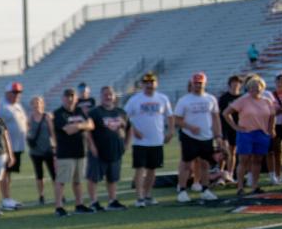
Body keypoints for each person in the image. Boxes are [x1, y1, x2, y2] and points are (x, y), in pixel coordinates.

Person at [125, 71, 174, 207]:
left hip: (157, 140)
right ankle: (139, 197)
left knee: (152, 170)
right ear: (142, 84)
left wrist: (170, 131)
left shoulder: (162, 98)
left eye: (151, 82)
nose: (149, 85)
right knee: (140, 169)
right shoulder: (135, 99)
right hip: (140, 142)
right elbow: (125, 117)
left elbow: (170, 116)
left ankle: (148, 195)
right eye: (146, 82)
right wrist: (134, 130)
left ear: (156, 83)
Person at [223, 75, 276, 195]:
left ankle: (254, 186)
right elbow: (226, 113)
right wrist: (235, 127)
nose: (254, 90)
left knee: (258, 160)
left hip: (261, 133)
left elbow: (272, 115)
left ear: (262, 88)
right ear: (248, 89)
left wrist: (271, 128)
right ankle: (240, 187)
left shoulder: (266, 101)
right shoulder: (243, 100)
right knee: (244, 160)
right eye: (251, 87)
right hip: (246, 133)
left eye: (257, 87)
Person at [173, 72, 222, 202]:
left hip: (206, 136)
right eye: (195, 83)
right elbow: (177, 120)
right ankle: (182, 190)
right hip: (189, 136)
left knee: (205, 164)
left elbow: (216, 118)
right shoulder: (184, 100)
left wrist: (218, 136)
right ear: (191, 84)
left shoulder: (211, 99)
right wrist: (190, 127)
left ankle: (205, 189)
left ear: (204, 84)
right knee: (186, 164)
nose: (198, 85)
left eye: (200, 83)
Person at [51, 88, 94, 216]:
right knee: (62, 180)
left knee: (78, 181)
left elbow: (91, 125)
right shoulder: (59, 113)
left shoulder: (79, 110)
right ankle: (59, 207)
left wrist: (78, 126)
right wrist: (82, 125)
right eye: (67, 96)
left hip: (80, 150)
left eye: (72, 96)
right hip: (65, 152)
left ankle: (79, 204)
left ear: (76, 98)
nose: (70, 99)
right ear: (63, 98)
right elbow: (68, 130)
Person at [86, 86, 129, 211]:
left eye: (110, 94)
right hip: (98, 150)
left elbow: (129, 127)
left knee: (113, 177)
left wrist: (126, 143)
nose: (108, 97)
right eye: (105, 94)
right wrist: (92, 146)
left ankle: (112, 200)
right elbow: (88, 131)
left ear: (114, 96)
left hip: (115, 150)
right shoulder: (95, 112)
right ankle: (94, 202)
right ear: (101, 96)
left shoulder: (121, 112)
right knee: (93, 177)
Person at [0, 81, 27, 211]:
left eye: (19, 92)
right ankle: (5, 199)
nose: (17, 95)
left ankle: (8, 198)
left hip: (17, 146)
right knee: (4, 173)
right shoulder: (2, 107)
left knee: (8, 174)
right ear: (7, 93)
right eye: (14, 92)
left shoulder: (17, 106)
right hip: (6, 147)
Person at [26, 95, 56, 205]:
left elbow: (52, 132)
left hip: (48, 149)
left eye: (38, 102)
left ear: (42, 104)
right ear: (31, 105)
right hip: (35, 151)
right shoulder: (30, 118)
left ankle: (59, 194)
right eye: (34, 103)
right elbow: (27, 131)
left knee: (54, 174)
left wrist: (55, 146)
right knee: (39, 175)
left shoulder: (47, 116)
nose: (36, 105)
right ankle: (41, 195)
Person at [218, 75, 243, 184]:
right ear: (230, 84)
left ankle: (230, 174)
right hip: (225, 127)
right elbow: (220, 114)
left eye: (237, 82)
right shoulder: (224, 98)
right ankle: (220, 174)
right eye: (233, 82)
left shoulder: (242, 98)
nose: (235, 84)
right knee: (224, 152)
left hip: (237, 127)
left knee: (233, 151)